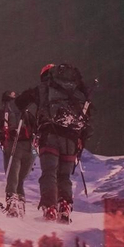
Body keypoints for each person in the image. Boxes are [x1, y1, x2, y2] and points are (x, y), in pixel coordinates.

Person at [35, 63, 91, 222]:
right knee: (64, 176)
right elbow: (87, 121)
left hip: (50, 136)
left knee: (49, 173)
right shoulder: (77, 92)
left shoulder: (44, 89)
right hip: (71, 140)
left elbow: (28, 108)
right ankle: (64, 205)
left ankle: (50, 207)